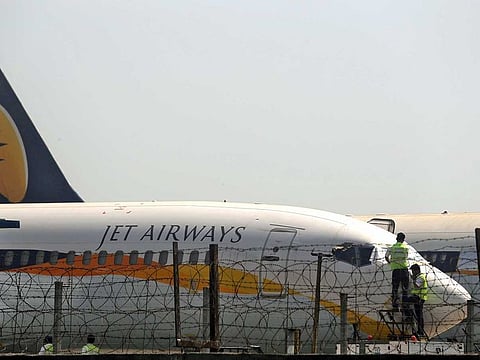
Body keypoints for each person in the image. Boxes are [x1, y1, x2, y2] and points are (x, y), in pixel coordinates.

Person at [385, 232, 409, 309]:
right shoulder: (405, 248)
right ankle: (405, 303)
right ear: (403, 240)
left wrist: (390, 263)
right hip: (404, 269)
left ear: (396, 239)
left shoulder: (392, 248)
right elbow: (406, 256)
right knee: (405, 288)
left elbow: (386, 257)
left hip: (396, 270)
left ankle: (395, 304)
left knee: (395, 288)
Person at [406, 263, 428, 337]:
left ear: (416, 270)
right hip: (418, 297)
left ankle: (409, 316)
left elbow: (417, 286)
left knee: (405, 301)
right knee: (418, 315)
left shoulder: (420, 277)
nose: (412, 272)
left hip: (419, 298)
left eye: (413, 271)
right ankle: (419, 330)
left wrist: (413, 279)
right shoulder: (419, 277)